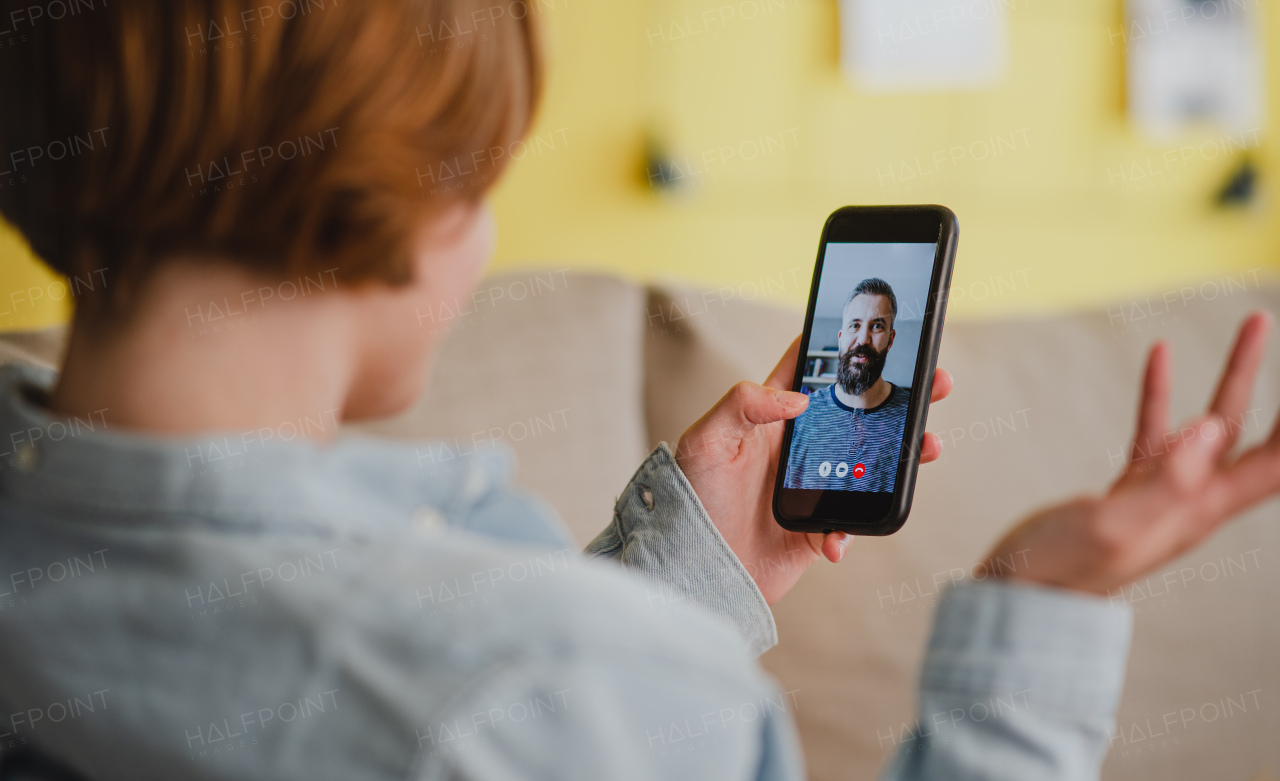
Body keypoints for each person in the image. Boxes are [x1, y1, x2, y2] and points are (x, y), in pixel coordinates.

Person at [1, 2, 1278, 779]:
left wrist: (683, 578)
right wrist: (1034, 607)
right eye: (480, 177)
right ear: (388, 204)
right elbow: (522, 713)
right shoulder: (560, 687)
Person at [785, 277, 911, 491]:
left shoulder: (910, 414)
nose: (863, 339)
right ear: (841, 338)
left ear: (890, 340)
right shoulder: (802, 413)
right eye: (855, 325)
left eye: (877, 326)